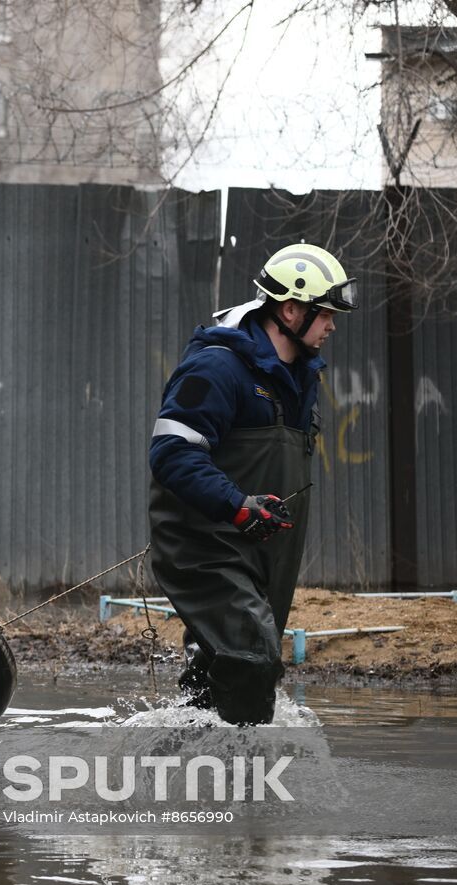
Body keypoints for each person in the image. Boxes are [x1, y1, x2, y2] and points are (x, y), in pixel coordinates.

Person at [148, 244, 357, 725]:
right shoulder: (218, 368)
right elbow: (171, 452)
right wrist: (237, 506)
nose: (332, 326)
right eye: (325, 314)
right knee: (253, 658)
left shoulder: (298, 379)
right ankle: (251, 785)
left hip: (261, 556)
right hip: (207, 545)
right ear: (290, 309)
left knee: (215, 682)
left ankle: (182, 769)